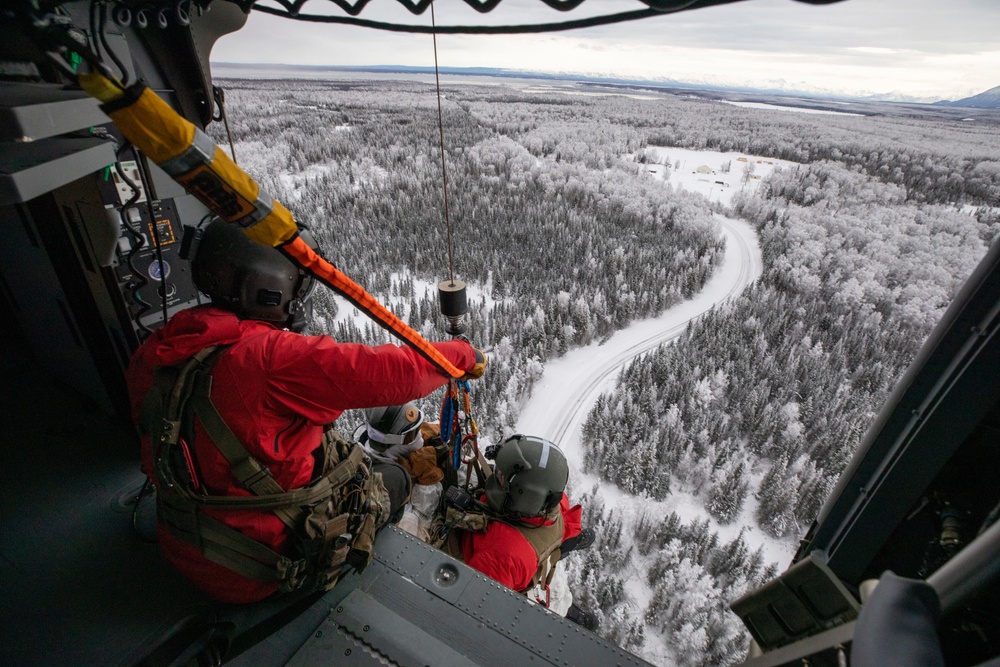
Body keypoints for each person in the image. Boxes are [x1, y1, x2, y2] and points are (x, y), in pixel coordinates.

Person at [126, 220, 485, 604]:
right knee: (394, 477)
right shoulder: (268, 358)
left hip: (186, 541)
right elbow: (391, 372)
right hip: (255, 569)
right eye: (298, 287)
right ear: (268, 288)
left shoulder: (165, 346)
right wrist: (464, 356)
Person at [438, 435, 587, 612]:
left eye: (501, 477)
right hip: (530, 554)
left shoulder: (501, 556)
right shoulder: (551, 502)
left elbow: (468, 605)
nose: (495, 478)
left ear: (527, 497)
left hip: (503, 566)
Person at [352, 402, 447, 541]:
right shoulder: (385, 482)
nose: (419, 436)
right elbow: (418, 532)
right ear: (395, 441)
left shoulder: (387, 444)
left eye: (418, 428)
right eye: (412, 434)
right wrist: (427, 483)